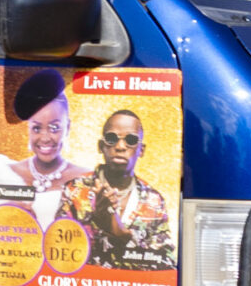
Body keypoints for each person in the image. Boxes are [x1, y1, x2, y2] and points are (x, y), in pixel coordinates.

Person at [55, 108, 175, 270]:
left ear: (141, 150)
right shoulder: (74, 191)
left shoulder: (154, 201)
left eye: (131, 140)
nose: (120, 146)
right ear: (100, 146)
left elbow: (166, 264)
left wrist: (122, 235)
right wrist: (97, 221)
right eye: (111, 138)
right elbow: (56, 254)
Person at [0, 69, 89, 202]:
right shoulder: (3, 171)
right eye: (37, 128)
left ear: (67, 127)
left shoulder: (85, 179)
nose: (45, 138)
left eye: (54, 128)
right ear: (28, 128)